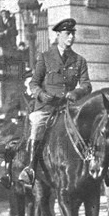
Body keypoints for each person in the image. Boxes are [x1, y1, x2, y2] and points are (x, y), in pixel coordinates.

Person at [18, 18, 92, 186]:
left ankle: (100, 166)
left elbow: (87, 85)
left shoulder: (80, 60)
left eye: (73, 34)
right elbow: (34, 83)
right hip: (47, 107)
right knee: (36, 125)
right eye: (67, 34)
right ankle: (30, 168)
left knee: (91, 125)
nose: (71, 37)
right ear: (58, 35)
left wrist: (76, 92)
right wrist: (42, 95)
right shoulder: (45, 57)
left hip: (69, 106)